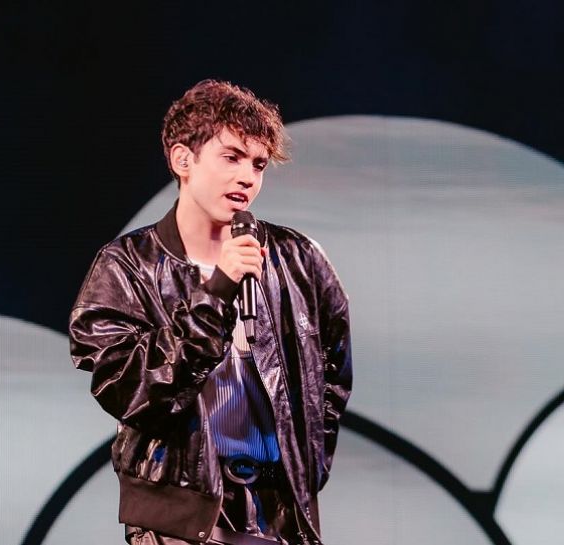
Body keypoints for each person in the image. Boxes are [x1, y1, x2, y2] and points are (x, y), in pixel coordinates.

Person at [69, 80, 352, 545]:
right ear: (184, 160)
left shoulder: (299, 260)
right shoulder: (127, 266)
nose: (247, 177)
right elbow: (130, 390)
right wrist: (217, 291)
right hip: (178, 517)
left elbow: (333, 376)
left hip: (277, 511)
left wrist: (307, 463)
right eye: (232, 157)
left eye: (258, 164)